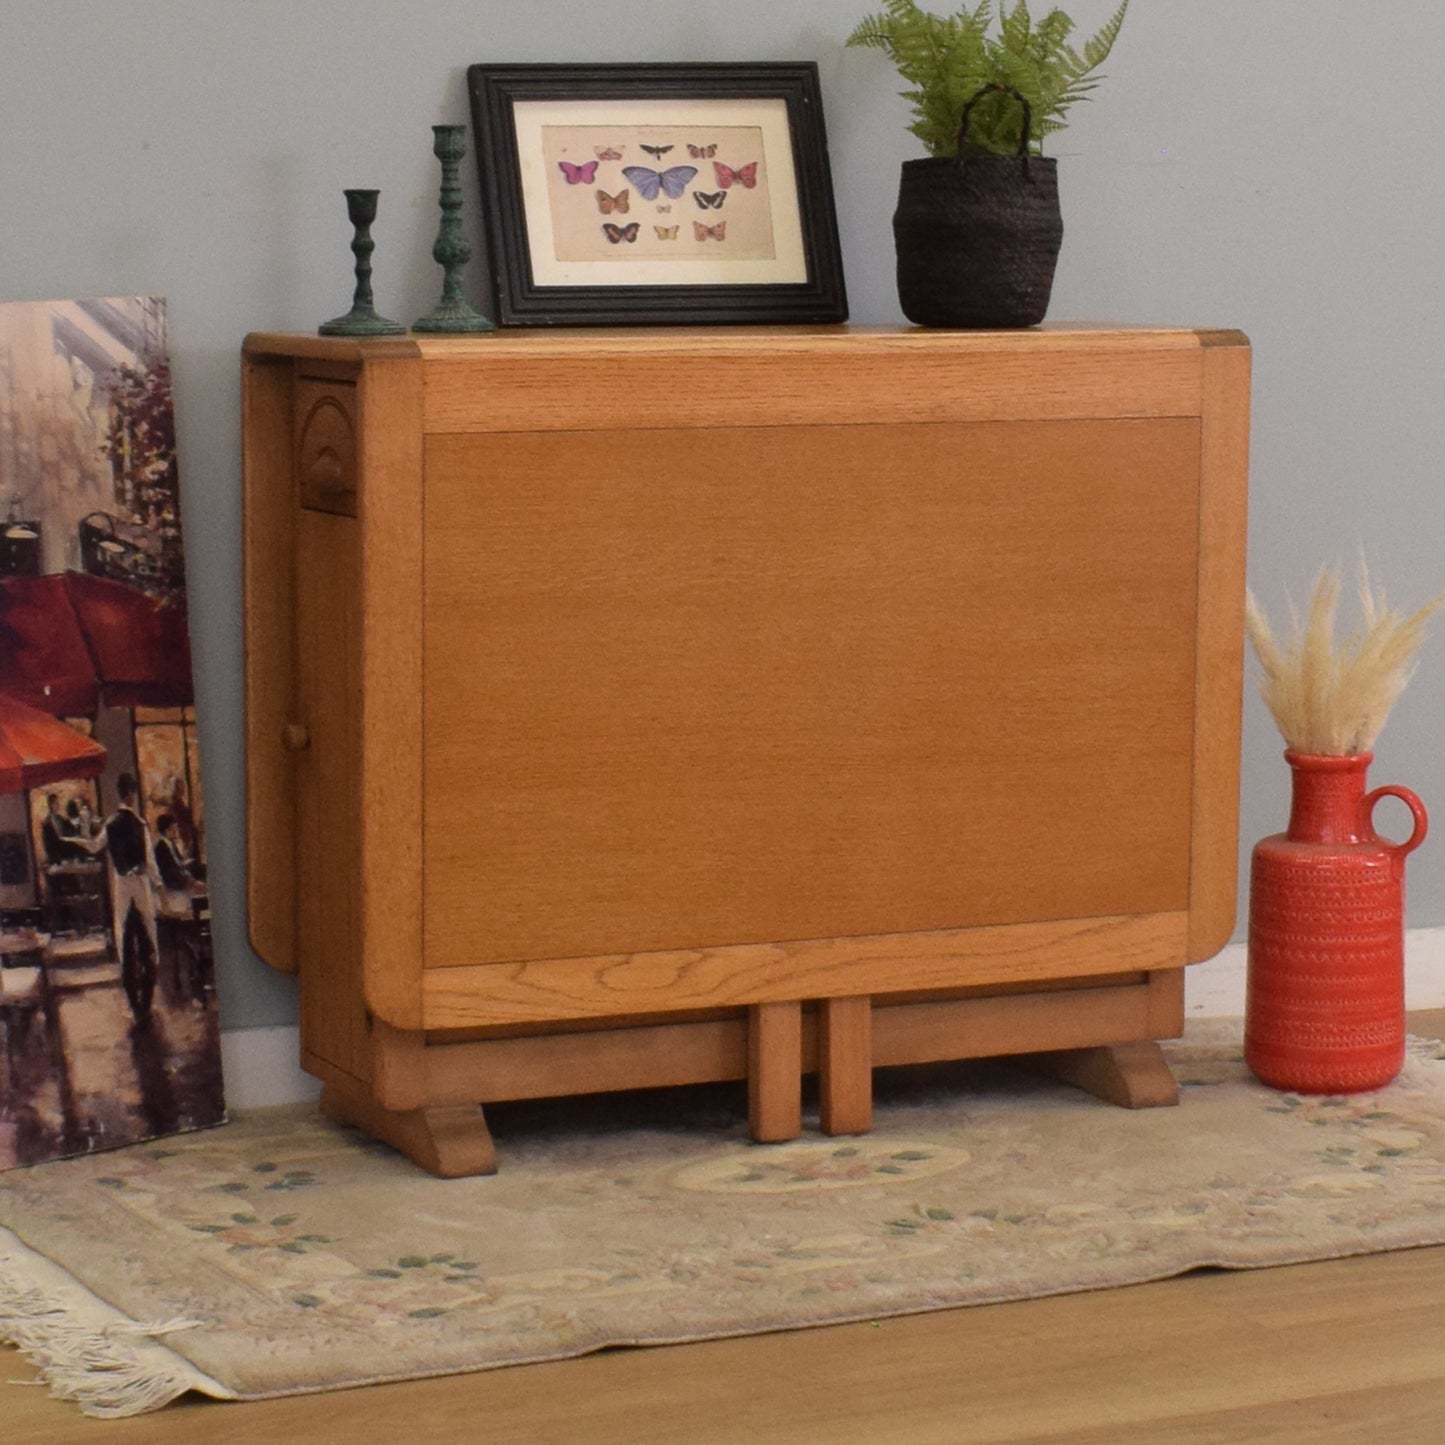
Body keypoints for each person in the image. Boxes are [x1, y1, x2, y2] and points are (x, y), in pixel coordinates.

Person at [102, 772, 161, 967]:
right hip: (140, 877)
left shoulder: (110, 824)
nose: (134, 797)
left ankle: (124, 963)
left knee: (121, 922)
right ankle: (154, 960)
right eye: (133, 793)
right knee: (148, 919)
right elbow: (149, 860)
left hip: (122, 879)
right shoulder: (140, 823)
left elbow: (96, 846)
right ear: (130, 793)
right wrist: (158, 883)